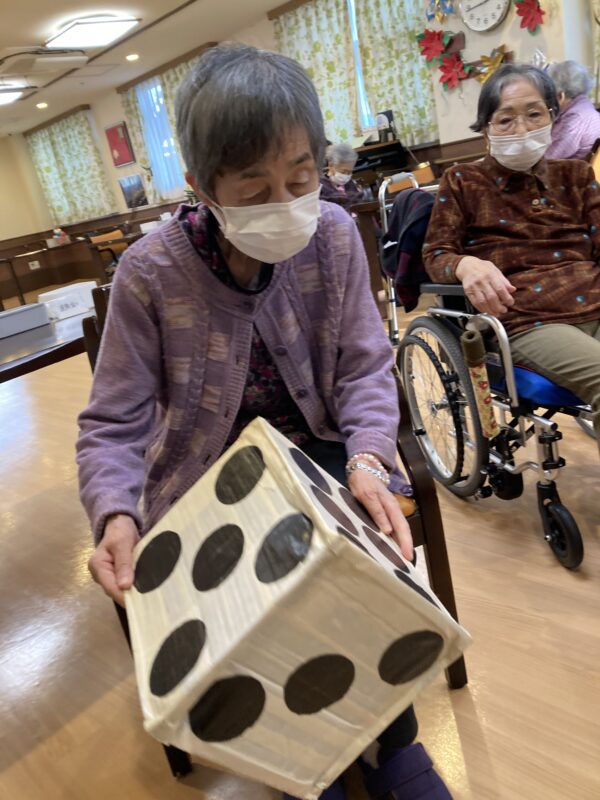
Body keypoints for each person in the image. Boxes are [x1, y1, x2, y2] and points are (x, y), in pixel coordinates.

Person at [77, 43, 451, 800]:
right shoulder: (149, 273)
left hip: (321, 453)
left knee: (356, 559)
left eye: (301, 178)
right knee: (256, 594)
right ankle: (306, 757)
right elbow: (113, 421)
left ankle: (391, 742)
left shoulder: (335, 235)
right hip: (203, 481)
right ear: (200, 187)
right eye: (254, 188)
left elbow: (364, 366)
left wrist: (369, 456)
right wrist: (115, 512)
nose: (285, 202)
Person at [423, 63, 600, 450]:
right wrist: (466, 264)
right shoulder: (463, 181)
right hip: (532, 320)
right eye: (506, 119)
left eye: (534, 114)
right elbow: (436, 252)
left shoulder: (576, 175)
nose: (522, 129)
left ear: (553, 116)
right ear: (486, 128)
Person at [545, 60, 600, 160]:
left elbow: (549, 157)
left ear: (560, 96)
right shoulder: (586, 108)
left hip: (569, 169)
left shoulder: (575, 118)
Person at [319, 142, 368, 209]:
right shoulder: (321, 186)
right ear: (331, 165)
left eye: (349, 172)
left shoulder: (351, 184)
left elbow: (359, 201)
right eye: (343, 171)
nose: (346, 176)